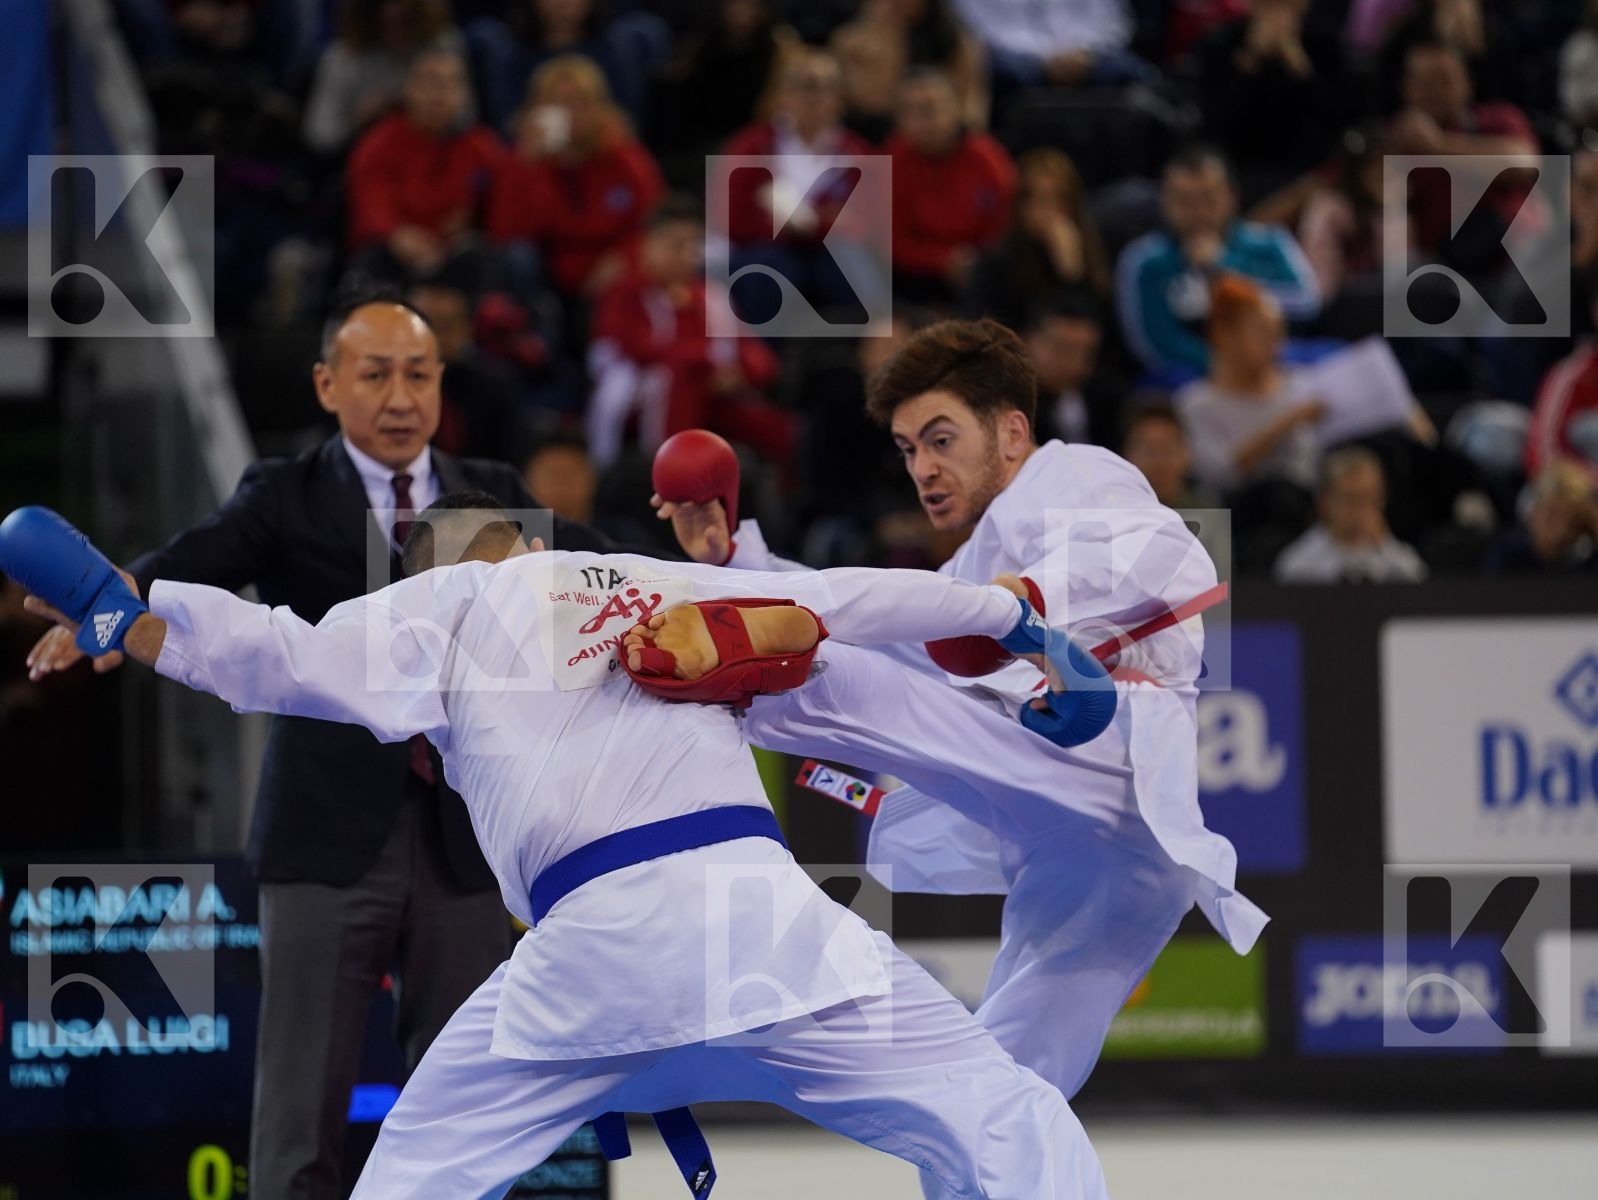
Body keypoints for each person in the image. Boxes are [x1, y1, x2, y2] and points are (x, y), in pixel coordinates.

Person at [4, 504, 1112, 1200]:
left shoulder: (449, 599)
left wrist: (124, 609)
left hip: (593, 957)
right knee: (1001, 1113)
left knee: (410, 1176)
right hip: (765, 927)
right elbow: (849, 600)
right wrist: (1018, 623)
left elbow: (280, 654)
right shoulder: (669, 582)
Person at [22, 293, 644, 1200]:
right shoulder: (286, 492)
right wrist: (107, 607)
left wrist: (708, 569)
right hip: (323, 837)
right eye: (376, 373)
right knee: (299, 1103)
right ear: (326, 383)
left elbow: (602, 570)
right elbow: (197, 557)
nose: (401, 395)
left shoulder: (492, 494)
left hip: (468, 839)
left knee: (471, 1095)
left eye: (420, 374)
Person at [653, 318, 1267, 1200]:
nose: (923, 469)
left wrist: (1027, 608)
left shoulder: (1077, 477)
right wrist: (740, 558)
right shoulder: (981, 552)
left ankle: (721, 655)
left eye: (942, 440)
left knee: (832, 677)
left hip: (1111, 767)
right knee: (1003, 1083)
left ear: (1011, 431)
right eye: (908, 450)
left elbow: (1169, 555)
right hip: (1097, 857)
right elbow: (913, 635)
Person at [586, 197, 791, 470]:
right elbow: (640, 347)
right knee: (679, 380)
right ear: (648, 246)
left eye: (693, 245)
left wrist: (740, 372)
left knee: (782, 433)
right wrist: (709, 363)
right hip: (646, 394)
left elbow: (754, 353)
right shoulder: (626, 292)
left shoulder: (711, 296)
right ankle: (671, 474)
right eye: (675, 244)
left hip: (713, 394)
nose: (686, 254)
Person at [1116, 146, 1320, 383]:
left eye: (1208, 199)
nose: (1197, 211)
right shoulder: (1144, 259)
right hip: (1192, 376)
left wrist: (1225, 266)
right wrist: (1228, 367)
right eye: (1184, 200)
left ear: (1231, 196)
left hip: (1271, 363)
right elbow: (1153, 343)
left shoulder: (1269, 242)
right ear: (1164, 201)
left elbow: (1306, 303)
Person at [486, 55, 665, 305]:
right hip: (547, 275)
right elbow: (506, 234)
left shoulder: (624, 157)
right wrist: (528, 167)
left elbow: (652, 223)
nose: (571, 113)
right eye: (558, 104)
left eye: (580, 103)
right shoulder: (522, 160)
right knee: (518, 259)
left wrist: (625, 258)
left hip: (607, 272)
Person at [345, 48, 503, 291]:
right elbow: (370, 200)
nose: (437, 95)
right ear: (409, 90)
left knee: (487, 257)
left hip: (455, 255)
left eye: (449, 85)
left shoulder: (481, 146)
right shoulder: (381, 142)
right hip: (397, 250)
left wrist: (472, 223)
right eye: (429, 83)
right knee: (372, 257)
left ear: (463, 95)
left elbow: (502, 206)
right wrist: (395, 234)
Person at [1191, 0, 1347, 205]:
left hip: (1306, 169)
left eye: (1286, 5)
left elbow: (1337, 118)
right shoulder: (1220, 42)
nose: (1276, 15)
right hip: (1235, 166)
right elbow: (1213, 120)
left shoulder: (1327, 44)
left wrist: (1300, 68)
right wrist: (1249, 61)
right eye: (1268, 4)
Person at [885, 68, 1016, 304]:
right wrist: (942, 259)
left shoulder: (988, 159)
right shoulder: (892, 160)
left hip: (982, 269)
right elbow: (891, 239)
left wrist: (975, 260)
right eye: (909, 111)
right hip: (912, 278)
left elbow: (1005, 223)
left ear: (956, 109)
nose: (922, 121)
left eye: (929, 109)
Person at [962, 148, 1110, 330]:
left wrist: (1072, 275)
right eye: (1041, 199)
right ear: (1020, 205)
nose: (1050, 211)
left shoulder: (1092, 252)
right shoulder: (995, 263)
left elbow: (1096, 328)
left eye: (1060, 200)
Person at [303, 0, 467, 157]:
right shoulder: (343, 58)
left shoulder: (443, 45)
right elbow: (318, 136)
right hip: (364, 157)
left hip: (439, 156)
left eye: (405, 21)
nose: (396, 34)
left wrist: (431, 110)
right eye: (384, 24)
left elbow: (467, 118)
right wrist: (357, 120)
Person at [830, 0, 988, 137]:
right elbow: (874, 100)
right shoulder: (855, 41)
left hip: (940, 138)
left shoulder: (957, 42)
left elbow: (972, 110)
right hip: (885, 133)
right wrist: (886, 31)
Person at [1274, 447, 1429, 583]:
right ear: (1326, 503)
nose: (1360, 508)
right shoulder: (1299, 564)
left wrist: (1384, 545)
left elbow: (1419, 586)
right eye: (1350, 498)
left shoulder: (1397, 558)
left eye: (1368, 497)